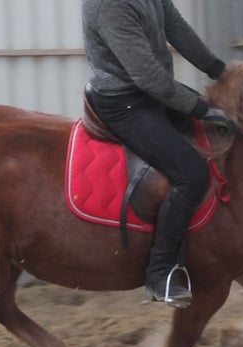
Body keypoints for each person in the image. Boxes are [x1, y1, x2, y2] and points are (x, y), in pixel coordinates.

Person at [82, 0, 234, 308]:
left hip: (150, 92)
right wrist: (202, 109)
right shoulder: (108, 6)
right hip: (125, 102)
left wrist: (218, 70)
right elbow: (148, 77)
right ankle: (161, 273)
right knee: (191, 173)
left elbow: (176, 27)